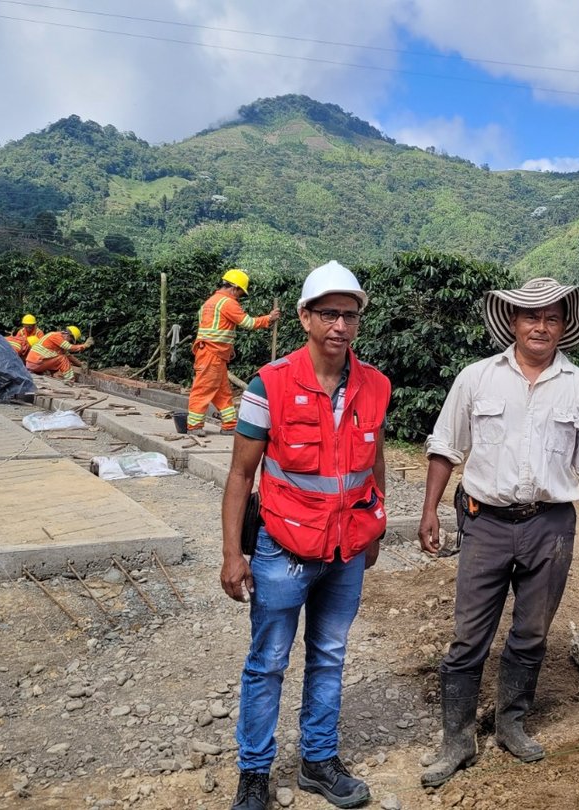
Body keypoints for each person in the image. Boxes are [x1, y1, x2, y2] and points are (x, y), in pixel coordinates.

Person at [417, 276, 579, 788]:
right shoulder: (477, 378)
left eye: (552, 318)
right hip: (485, 522)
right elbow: (446, 447)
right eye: (532, 316)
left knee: (531, 632)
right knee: (468, 635)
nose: (541, 326)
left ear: (564, 327)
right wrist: (429, 510)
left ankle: (511, 723)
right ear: (513, 322)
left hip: (551, 526)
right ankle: (457, 738)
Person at [219, 260, 391, 810]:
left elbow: (374, 463)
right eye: (328, 314)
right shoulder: (268, 385)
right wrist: (233, 553)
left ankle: (318, 761)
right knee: (268, 660)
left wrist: (375, 528)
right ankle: (253, 773)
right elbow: (241, 474)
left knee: (330, 655)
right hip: (283, 549)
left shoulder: (376, 386)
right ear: (304, 317)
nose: (340, 325)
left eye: (349, 315)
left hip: (346, 550)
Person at [186, 268, 279, 436]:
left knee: (222, 392)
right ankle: (194, 426)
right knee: (203, 389)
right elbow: (248, 323)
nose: (239, 296)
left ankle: (229, 425)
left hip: (212, 353)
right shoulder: (228, 303)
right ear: (235, 288)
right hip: (212, 353)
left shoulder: (210, 302)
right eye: (240, 293)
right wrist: (269, 318)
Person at [25, 326, 92, 382]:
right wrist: (84, 346)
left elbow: (69, 356)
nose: (69, 341)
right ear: (67, 335)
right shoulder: (56, 336)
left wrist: (80, 364)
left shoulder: (59, 343)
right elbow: (69, 347)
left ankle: (55, 376)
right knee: (62, 358)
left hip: (32, 364)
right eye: (70, 340)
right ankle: (70, 380)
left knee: (60, 359)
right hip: (36, 362)